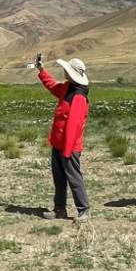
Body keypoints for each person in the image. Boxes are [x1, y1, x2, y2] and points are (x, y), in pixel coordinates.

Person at [37, 57, 91, 222]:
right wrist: (41, 71)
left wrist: (67, 151)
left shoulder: (79, 97)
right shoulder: (67, 88)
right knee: (59, 178)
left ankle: (84, 210)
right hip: (58, 144)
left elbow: (73, 126)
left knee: (74, 178)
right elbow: (53, 87)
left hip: (69, 147)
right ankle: (59, 209)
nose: (64, 72)